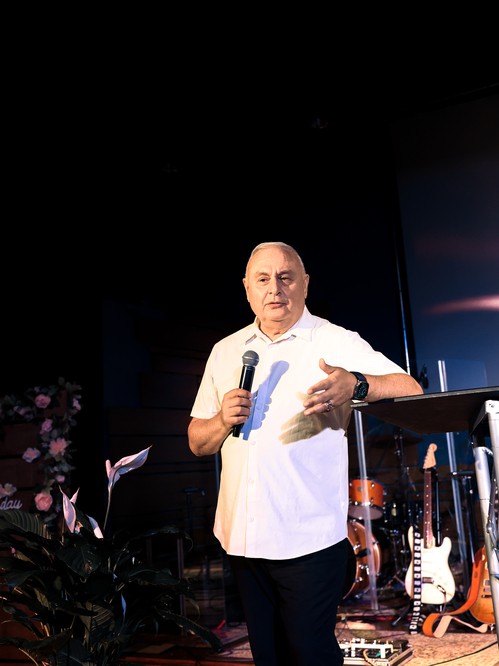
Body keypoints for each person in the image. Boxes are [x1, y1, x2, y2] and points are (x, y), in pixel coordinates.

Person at [188, 241, 423, 666]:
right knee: (269, 657)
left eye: (286, 277)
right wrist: (222, 419)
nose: (274, 288)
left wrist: (357, 383)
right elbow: (197, 441)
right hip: (242, 539)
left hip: (307, 540)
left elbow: (411, 389)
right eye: (262, 279)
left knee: (310, 655)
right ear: (247, 288)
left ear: (305, 284)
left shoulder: (333, 340)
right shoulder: (226, 351)